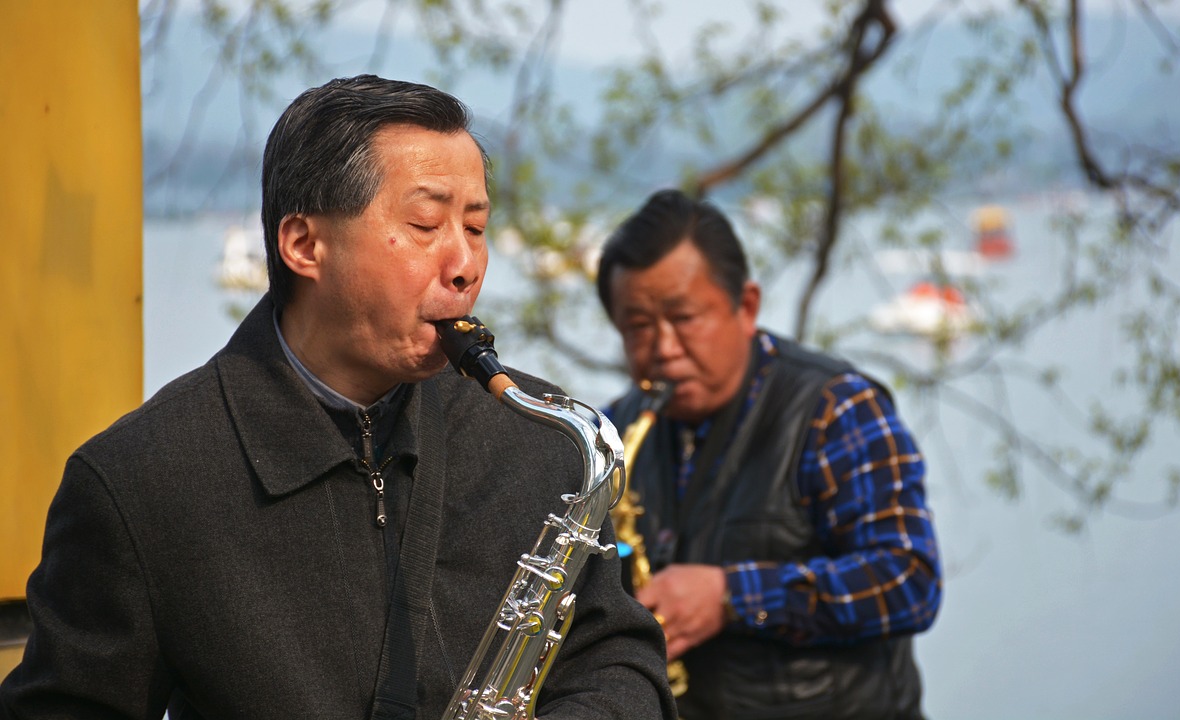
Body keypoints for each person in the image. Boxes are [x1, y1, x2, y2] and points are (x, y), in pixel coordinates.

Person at [1, 75, 676, 720]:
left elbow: (618, 659)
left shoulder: (539, 441)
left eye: (474, 228)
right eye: (424, 225)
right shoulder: (141, 481)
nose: (465, 265)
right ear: (303, 244)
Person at [599, 189, 943, 720]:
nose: (664, 348)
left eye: (685, 317)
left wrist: (731, 595)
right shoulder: (614, 431)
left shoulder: (835, 409)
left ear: (747, 307)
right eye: (639, 327)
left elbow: (909, 579)